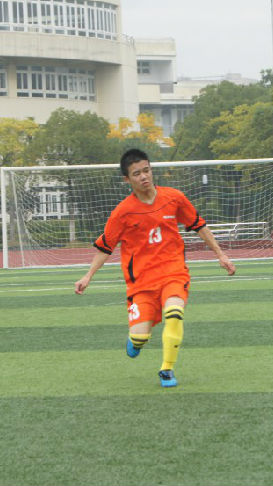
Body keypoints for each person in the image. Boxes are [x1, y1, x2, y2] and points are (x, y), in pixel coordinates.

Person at [74, 148, 236, 388]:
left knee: (174, 313)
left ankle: (167, 369)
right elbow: (106, 246)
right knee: (140, 337)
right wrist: (88, 276)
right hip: (141, 283)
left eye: (146, 170)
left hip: (173, 272)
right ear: (127, 179)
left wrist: (220, 254)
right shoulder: (122, 212)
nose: (144, 177)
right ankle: (135, 340)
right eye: (137, 173)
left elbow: (198, 225)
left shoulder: (174, 198)